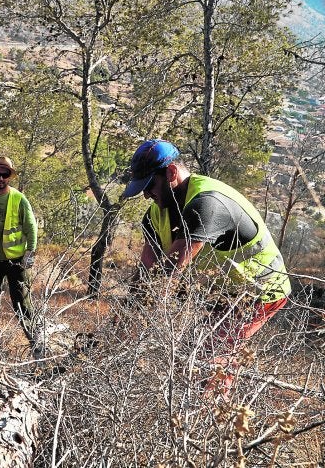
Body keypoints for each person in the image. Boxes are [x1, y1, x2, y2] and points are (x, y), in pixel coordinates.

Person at [122, 139, 291, 394]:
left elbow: (168, 272)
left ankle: (214, 423)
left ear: (170, 173)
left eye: (149, 186)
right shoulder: (155, 215)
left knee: (206, 356)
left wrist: (134, 325)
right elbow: (145, 274)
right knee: (191, 354)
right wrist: (121, 320)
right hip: (222, 293)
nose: (146, 195)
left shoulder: (208, 204)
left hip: (261, 290)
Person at [0, 156, 44, 357]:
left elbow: (31, 227)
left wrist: (30, 253)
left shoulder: (18, 199)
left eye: (5, 174)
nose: (1, 178)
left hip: (16, 261)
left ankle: (36, 344)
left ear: (9, 177)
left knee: (22, 302)